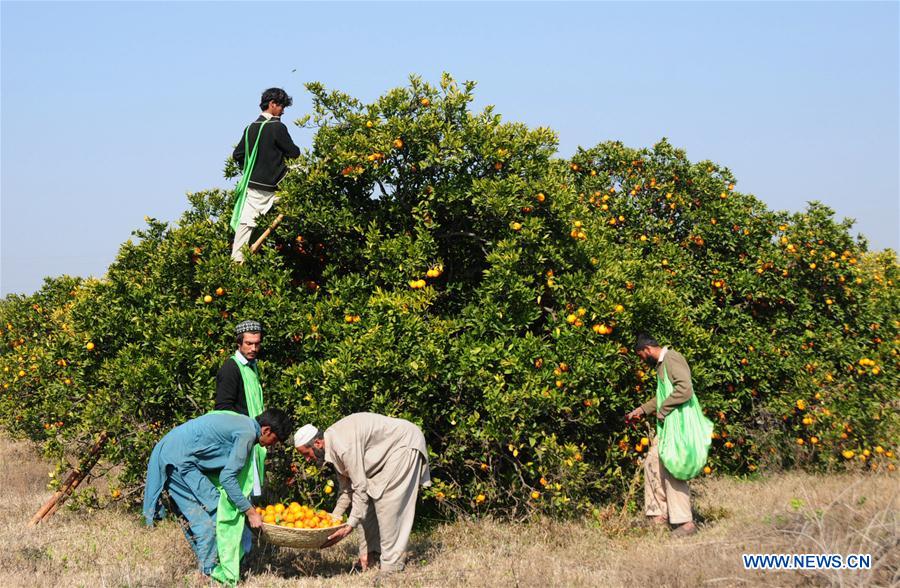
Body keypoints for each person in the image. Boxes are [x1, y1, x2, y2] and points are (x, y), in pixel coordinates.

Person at [142, 408, 293, 582]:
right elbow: (227, 478)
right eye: (274, 440)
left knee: (214, 509)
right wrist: (250, 512)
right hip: (178, 460)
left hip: (175, 453)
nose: (272, 445)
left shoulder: (243, 423)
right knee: (211, 517)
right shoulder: (247, 434)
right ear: (266, 430)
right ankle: (210, 573)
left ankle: (208, 569)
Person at [294, 413, 431, 576]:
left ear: (317, 443)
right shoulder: (332, 447)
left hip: (404, 445)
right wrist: (334, 518)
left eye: (306, 453)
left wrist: (348, 526)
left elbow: (360, 488)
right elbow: (347, 490)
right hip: (387, 457)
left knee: (388, 505)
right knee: (367, 505)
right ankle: (371, 555)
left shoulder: (343, 446)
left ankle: (391, 567)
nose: (307, 460)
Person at [625, 334, 698, 536]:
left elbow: (685, 389)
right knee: (652, 462)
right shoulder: (662, 365)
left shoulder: (672, 358)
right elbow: (663, 395)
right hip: (668, 426)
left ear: (647, 349)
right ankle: (659, 516)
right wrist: (640, 410)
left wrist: (663, 410)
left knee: (673, 470)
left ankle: (685, 523)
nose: (642, 360)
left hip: (679, 424)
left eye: (641, 356)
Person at [230, 87, 301, 262]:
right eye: (282, 106)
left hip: (252, 186)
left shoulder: (250, 128)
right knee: (304, 174)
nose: (283, 111)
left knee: (245, 224)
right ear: (272, 104)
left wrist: (253, 167)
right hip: (273, 187)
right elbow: (294, 153)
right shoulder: (277, 127)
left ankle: (236, 262)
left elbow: (237, 155)